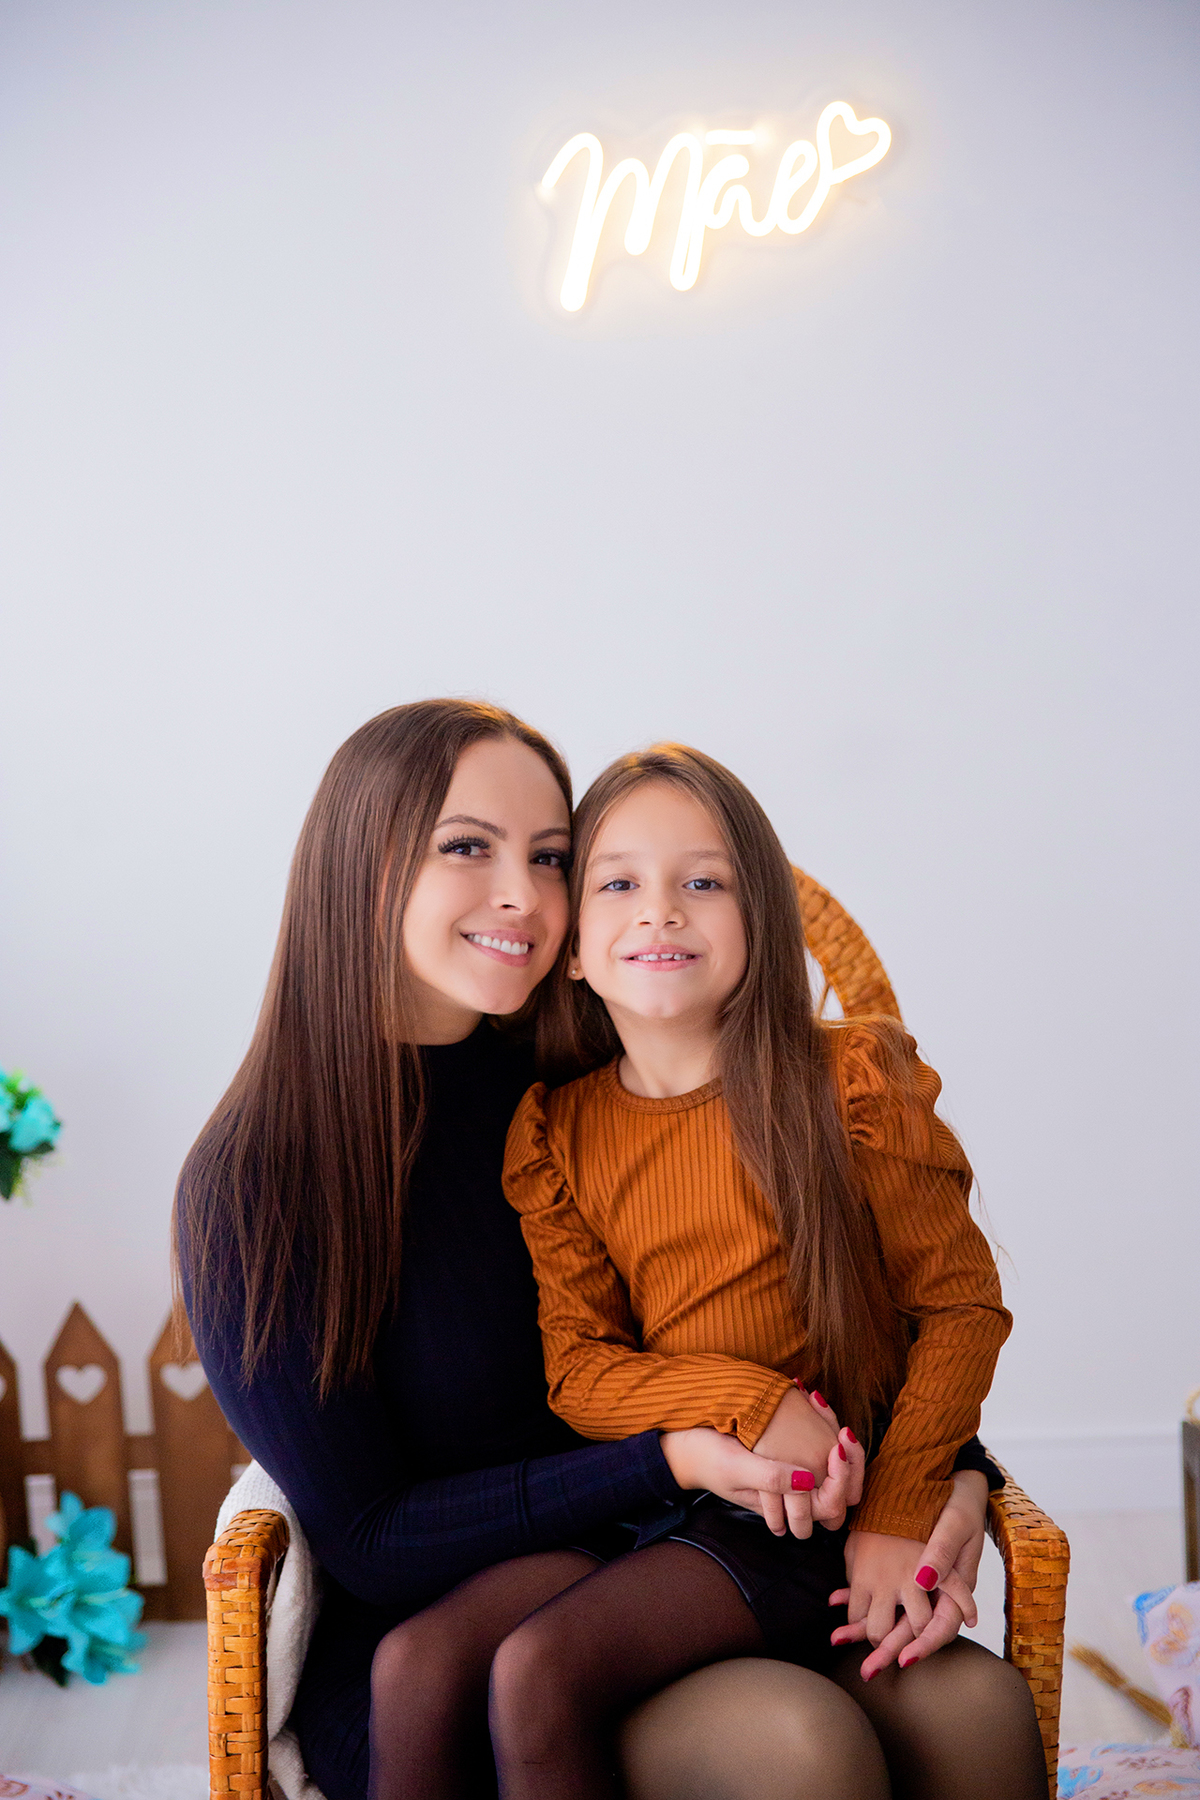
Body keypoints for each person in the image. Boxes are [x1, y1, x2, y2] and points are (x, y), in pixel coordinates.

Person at [176, 701, 1038, 1800]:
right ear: (361, 863)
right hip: (442, 1639)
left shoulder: (575, 1061)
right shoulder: (255, 1182)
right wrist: (678, 1456)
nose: (523, 896)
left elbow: (824, 1297)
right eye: (468, 847)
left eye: (549, 858)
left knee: (970, 1705)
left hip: (700, 1539)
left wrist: (938, 1488)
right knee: (798, 1742)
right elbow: (372, 1539)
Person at [481, 742, 1046, 1800]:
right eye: (618, 885)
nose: (661, 910)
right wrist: (752, 1403)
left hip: (855, 1509)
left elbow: (960, 1308)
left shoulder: (853, 1082)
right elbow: (582, 1370)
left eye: (704, 882)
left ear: (761, 923)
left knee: (983, 1708)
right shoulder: (556, 1132)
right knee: (560, 1674)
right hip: (693, 1518)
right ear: (572, 950)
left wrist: (901, 1508)